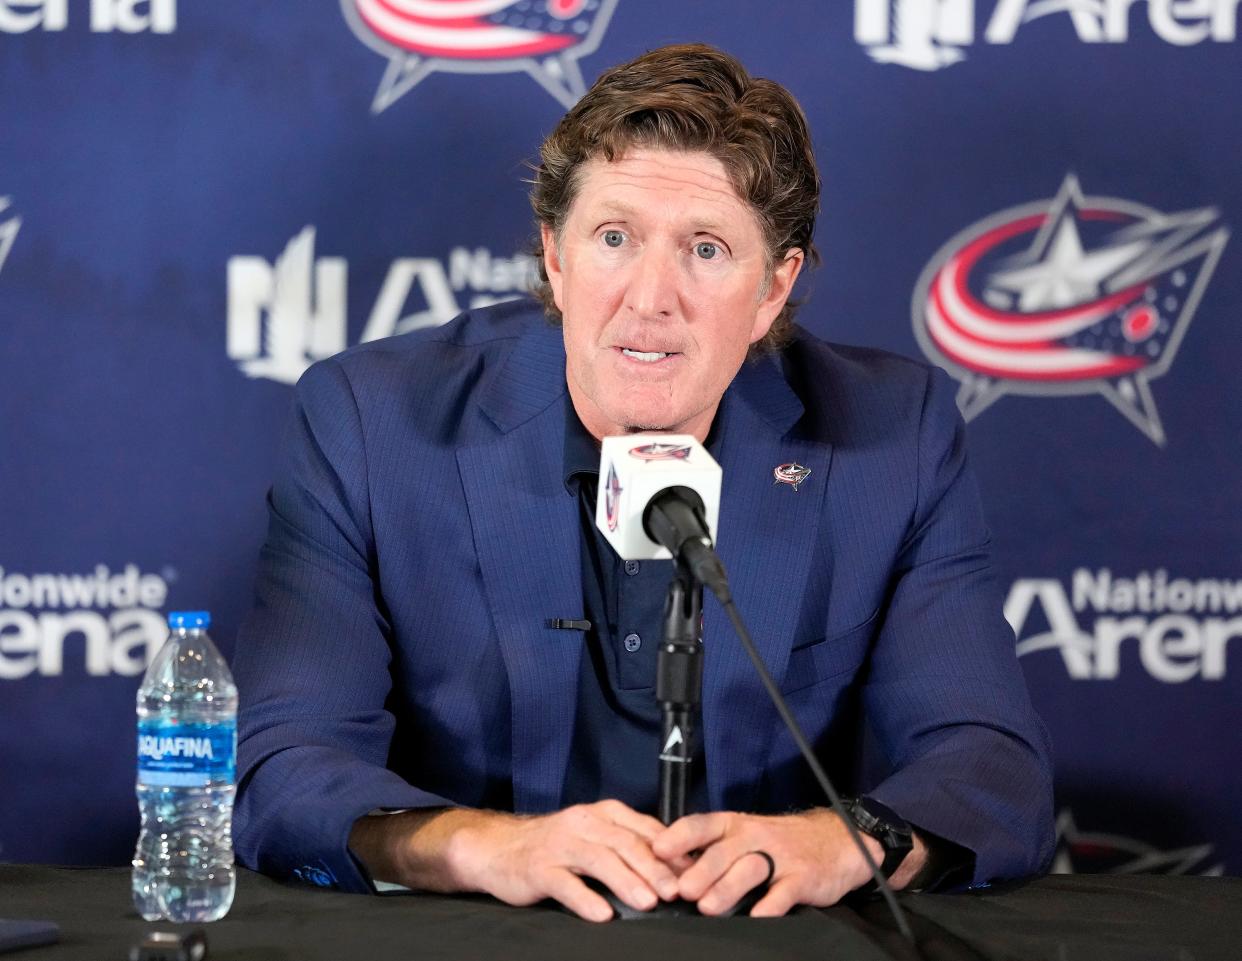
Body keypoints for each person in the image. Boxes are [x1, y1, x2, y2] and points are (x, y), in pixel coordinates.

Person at [232, 43, 1054, 922]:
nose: (651, 297)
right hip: (482, 937)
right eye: (614, 238)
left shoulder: (892, 437)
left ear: (774, 288)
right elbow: (285, 766)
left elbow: (992, 768)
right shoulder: (373, 424)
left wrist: (838, 839)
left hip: (760, 944)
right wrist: (485, 845)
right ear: (555, 256)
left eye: (706, 248)